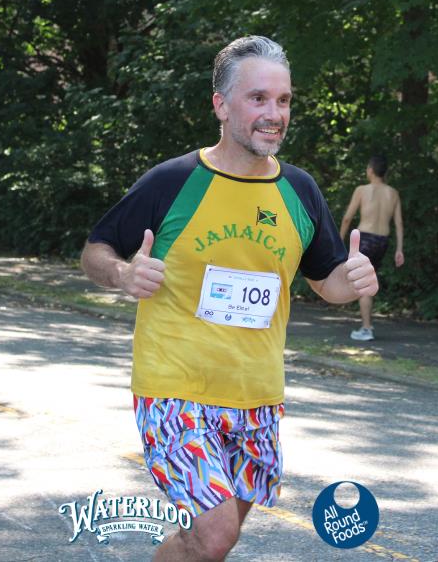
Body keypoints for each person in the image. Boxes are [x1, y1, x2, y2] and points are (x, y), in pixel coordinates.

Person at [80, 35, 377, 562]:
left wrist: (353, 281)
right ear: (220, 104)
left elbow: (326, 282)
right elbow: (94, 250)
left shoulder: (299, 190)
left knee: (207, 543)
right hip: (175, 389)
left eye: (283, 100)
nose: (274, 114)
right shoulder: (174, 182)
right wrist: (123, 274)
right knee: (214, 535)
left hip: (257, 394)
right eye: (258, 98)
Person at [338, 154, 404, 341]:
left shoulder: (362, 190)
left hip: (364, 239)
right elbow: (399, 224)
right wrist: (399, 249)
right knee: (367, 280)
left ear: (371, 170)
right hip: (382, 241)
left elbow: (347, 218)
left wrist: (339, 240)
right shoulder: (393, 193)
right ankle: (367, 323)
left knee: (363, 285)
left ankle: (366, 328)